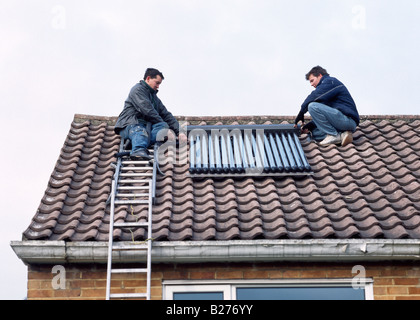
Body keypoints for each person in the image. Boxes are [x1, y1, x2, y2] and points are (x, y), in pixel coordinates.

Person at [114, 68, 187, 160]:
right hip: (130, 124)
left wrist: (179, 132)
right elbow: (148, 111)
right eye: (157, 83)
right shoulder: (137, 90)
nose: (158, 86)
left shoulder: (154, 98)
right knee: (140, 130)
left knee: (163, 126)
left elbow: (166, 115)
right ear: (148, 78)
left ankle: (135, 143)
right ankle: (138, 150)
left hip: (146, 128)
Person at [294, 66, 360, 147]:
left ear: (320, 76)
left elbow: (314, 96)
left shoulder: (330, 81)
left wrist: (301, 112)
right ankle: (343, 135)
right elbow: (326, 116)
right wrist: (310, 126)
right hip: (340, 122)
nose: (311, 84)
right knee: (314, 133)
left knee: (312, 106)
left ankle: (333, 136)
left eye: (312, 80)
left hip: (347, 120)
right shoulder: (326, 93)